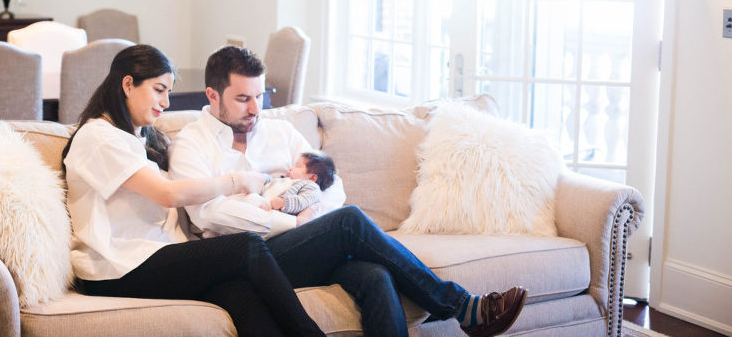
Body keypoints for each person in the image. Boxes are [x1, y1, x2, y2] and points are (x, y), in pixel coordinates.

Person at [169, 46, 528, 337]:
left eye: (260, 97)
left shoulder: (277, 131)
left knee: (376, 276)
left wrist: (309, 218)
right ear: (213, 95)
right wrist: (290, 221)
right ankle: (461, 307)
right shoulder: (191, 143)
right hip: (246, 261)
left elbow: (331, 184)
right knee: (350, 222)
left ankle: (462, 310)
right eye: (243, 99)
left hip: (301, 248)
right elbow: (209, 214)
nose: (255, 109)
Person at [61, 44, 325, 337]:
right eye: (159, 89)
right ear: (127, 85)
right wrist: (235, 181)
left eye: (169, 92)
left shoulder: (137, 136)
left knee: (238, 292)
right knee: (246, 246)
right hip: (116, 268)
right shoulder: (98, 137)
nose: (166, 102)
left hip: (156, 255)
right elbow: (168, 194)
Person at [244, 151, 335, 215]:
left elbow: (302, 201)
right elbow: (269, 188)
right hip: (261, 202)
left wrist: (283, 203)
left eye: (298, 166)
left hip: (276, 214)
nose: (291, 168)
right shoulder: (284, 180)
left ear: (312, 178)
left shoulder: (311, 186)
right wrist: (255, 191)